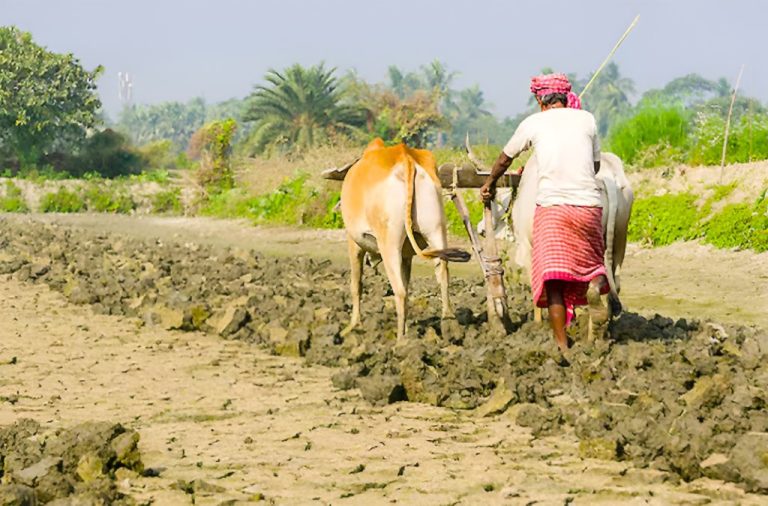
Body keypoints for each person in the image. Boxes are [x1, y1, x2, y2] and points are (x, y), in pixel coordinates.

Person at [479, 73, 609, 353]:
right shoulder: (587, 119)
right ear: (565, 98)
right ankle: (595, 286)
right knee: (593, 266)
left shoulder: (533, 123)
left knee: (553, 281)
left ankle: (562, 345)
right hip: (589, 208)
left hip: (553, 211)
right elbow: (596, 166)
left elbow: (505, 158)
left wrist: (489, 183)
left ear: (541, 101)